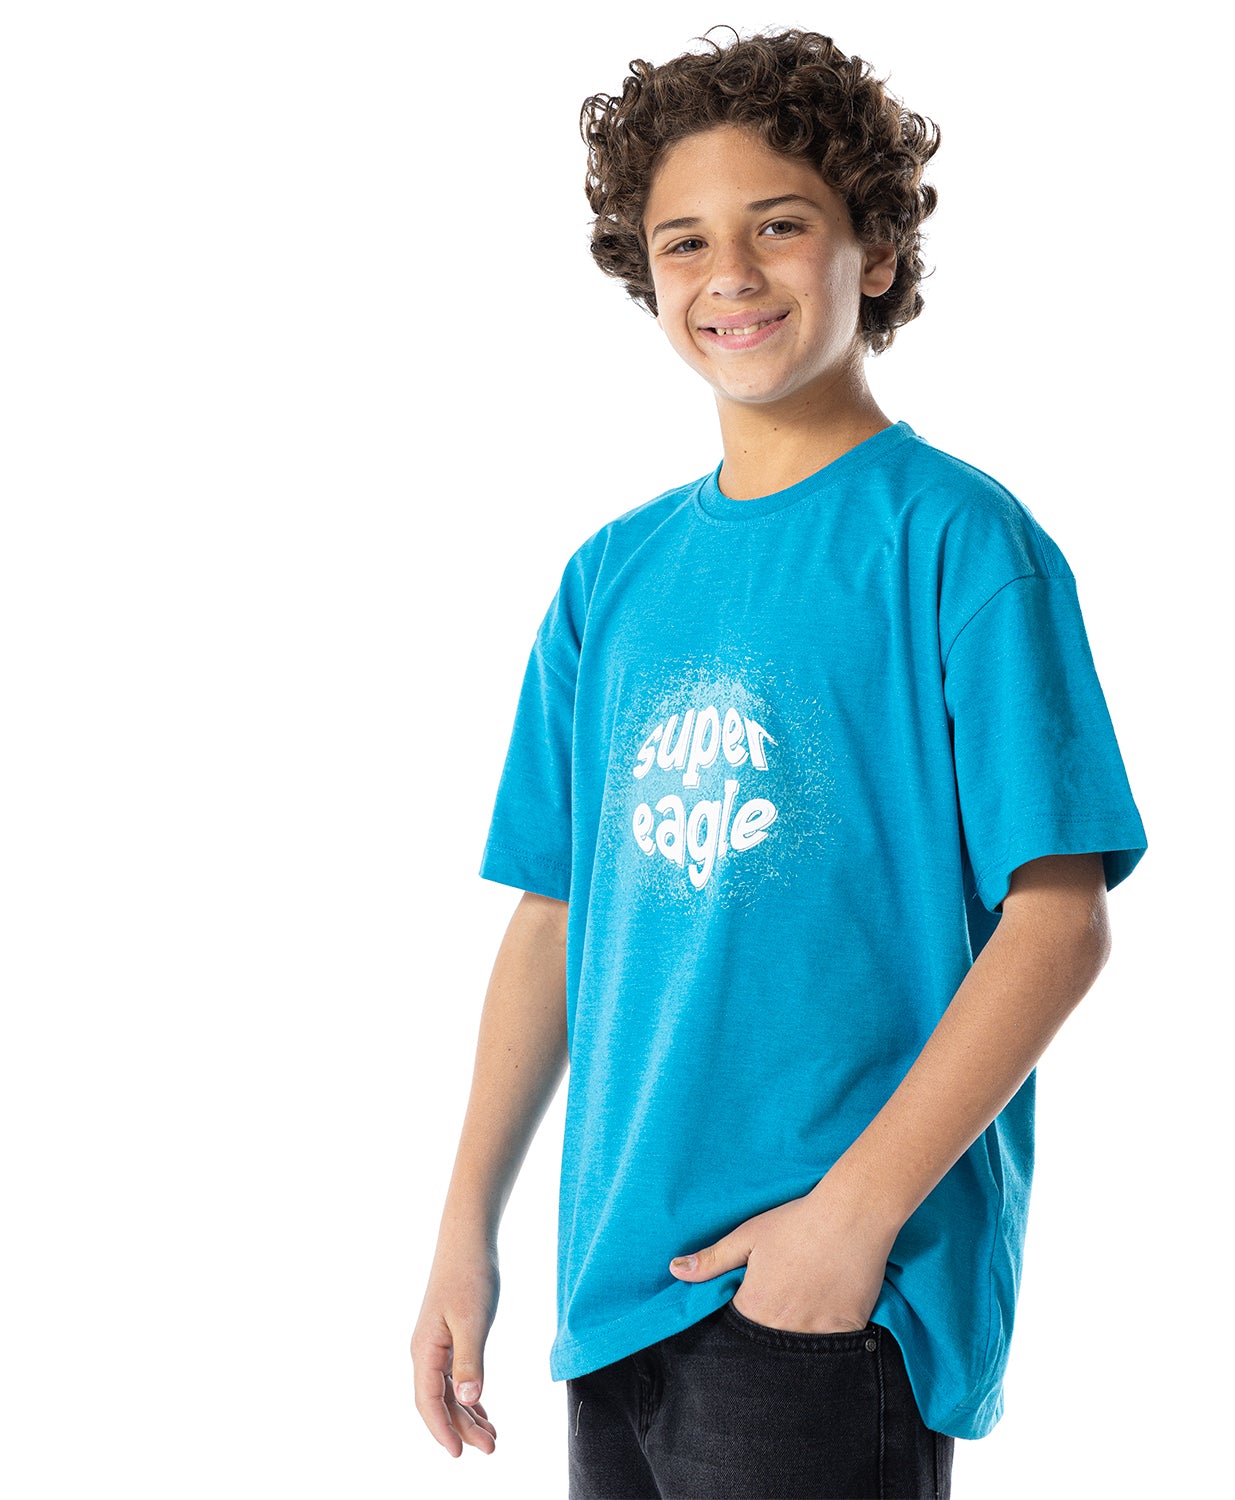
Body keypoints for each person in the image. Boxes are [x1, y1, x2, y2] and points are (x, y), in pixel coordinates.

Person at [411, 25, 1147, 1499]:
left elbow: (1058, 922)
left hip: (827, 1291)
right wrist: (463, 1232)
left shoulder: (957, 545)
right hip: (617, 1288)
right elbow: (554, 918)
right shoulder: (609, 579)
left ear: (876, 249)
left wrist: (850, 1221)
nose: (730, 274)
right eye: (684, 241)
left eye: (780, 225)